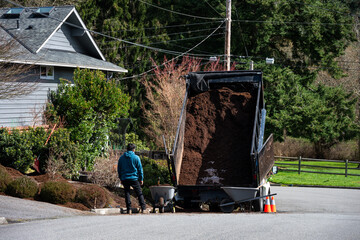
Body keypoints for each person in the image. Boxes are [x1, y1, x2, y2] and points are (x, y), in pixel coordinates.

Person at [118, 143, 148, 214]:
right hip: (134, 178)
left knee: (127, 193)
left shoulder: (121, 158)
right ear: (133, 150)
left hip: (125, 178)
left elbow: (119, 169)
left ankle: (129, 209)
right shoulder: (136, 158)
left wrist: (121, 178)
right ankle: (143, 208)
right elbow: (140, 169)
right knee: (139, 193)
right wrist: (141, 179)